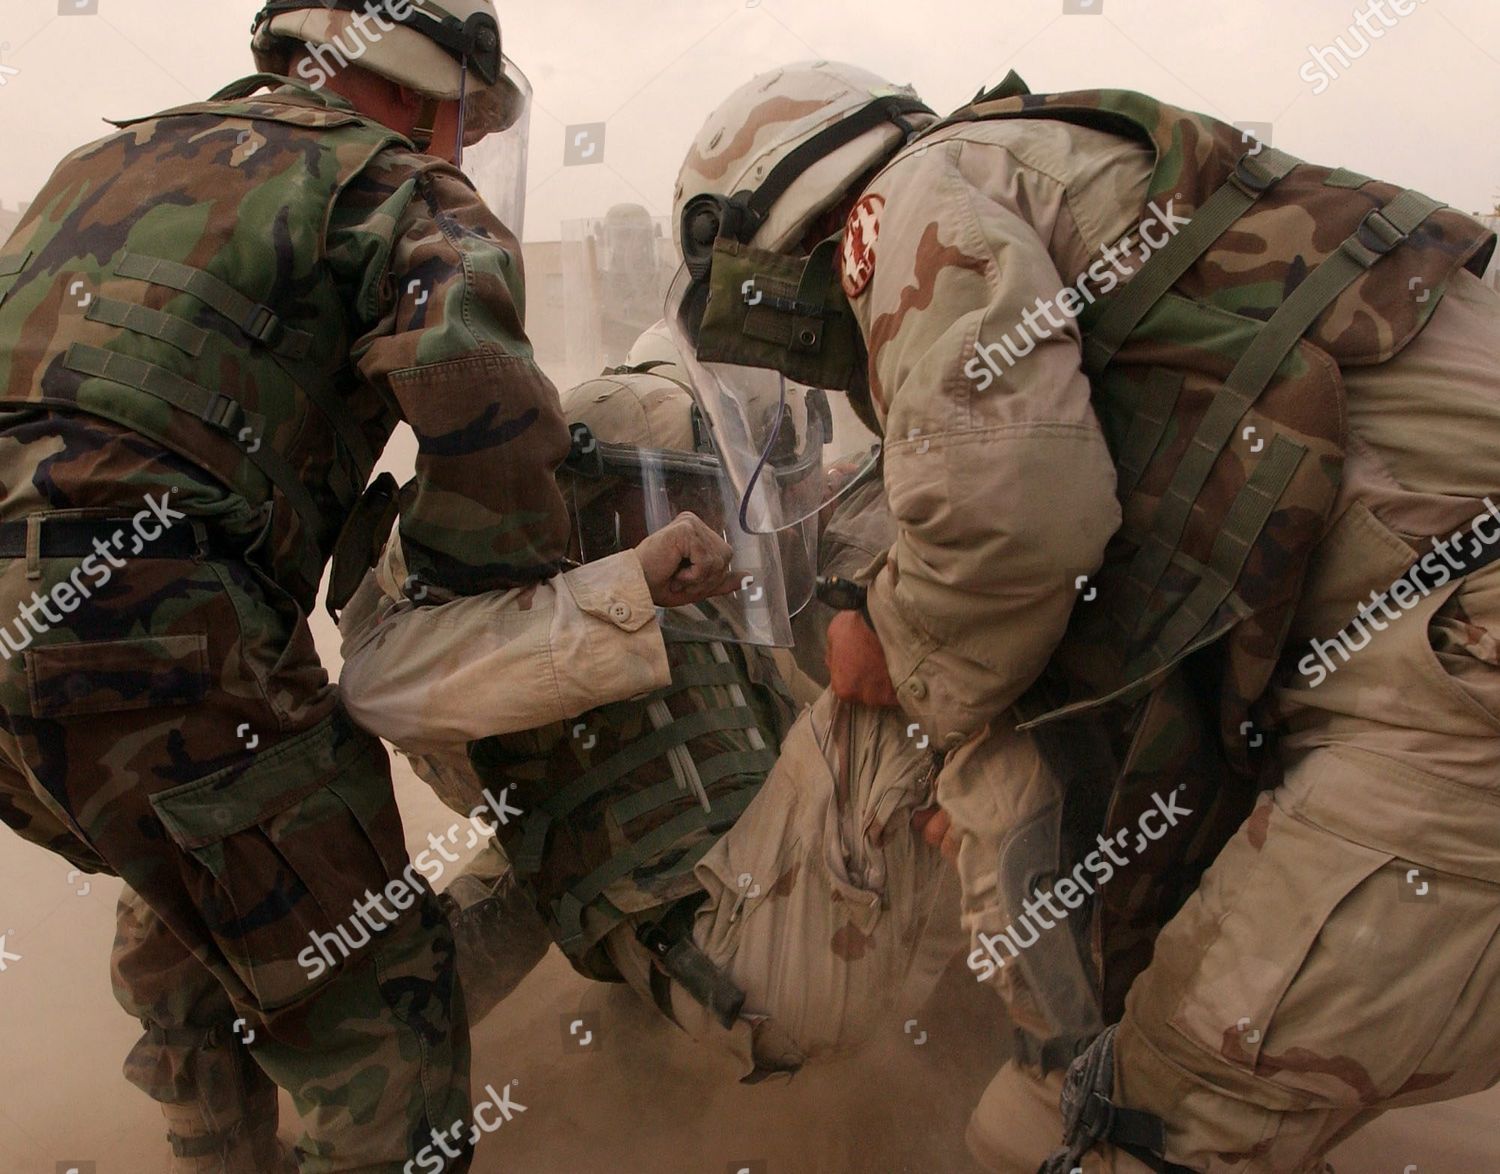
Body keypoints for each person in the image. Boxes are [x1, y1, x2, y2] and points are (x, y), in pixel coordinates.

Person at [668, 60, 1500, 1172]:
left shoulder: (910, 198)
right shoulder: (1050, 175)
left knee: (1135, 1125)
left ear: (781, 239)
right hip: (1433, 638)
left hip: (1448, 656)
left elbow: (1011, 517)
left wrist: (893, 653)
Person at [0, 3, 733, 1170]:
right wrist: (513, 603)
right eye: (462, 120)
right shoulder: (397, 189)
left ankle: (216, 1149)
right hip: (162, 637)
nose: (458, 146)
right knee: (381, 1027)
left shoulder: (97, 164)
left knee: (194, 883)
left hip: (38, 667)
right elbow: (486, 424)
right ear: (416, 84)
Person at [337, 364, 966, 1076]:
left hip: (751, 883)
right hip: (744, 946)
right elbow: (378, 682)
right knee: (937, 631)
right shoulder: (491, 589)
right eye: (676, 496)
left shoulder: (676, 568)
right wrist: (627, 584)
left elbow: (824, 517)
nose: (705, 521)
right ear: (594, 504)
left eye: (707, 491)